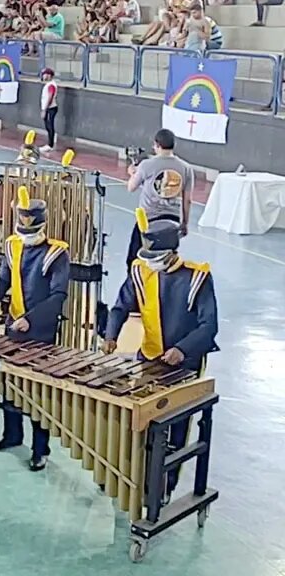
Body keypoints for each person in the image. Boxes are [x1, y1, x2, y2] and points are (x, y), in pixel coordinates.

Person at [104, 210, 218, 495]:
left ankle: (165, 487)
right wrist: (110, 336)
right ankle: (137, 479)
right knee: (141, 423)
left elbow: (209, 326)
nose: (150, 263)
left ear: (171, 253)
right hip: (149, 358)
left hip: (185, 363)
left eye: (155, 258)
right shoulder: (141, 272)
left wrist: (182, 349)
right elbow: (120, 306)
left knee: (175, 428)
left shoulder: (197, 277)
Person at [0, 187, 69, 471]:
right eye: (23, 232)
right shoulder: (12, 245)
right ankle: (12, 435)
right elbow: (2, 280)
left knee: (37, 392)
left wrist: (31, 318)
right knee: (9, 385)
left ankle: (40, 448)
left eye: (31, 233)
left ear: (42, 227)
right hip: (13, 326)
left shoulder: (57, 253)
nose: (26, 238)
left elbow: (58, 296)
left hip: (40, 331)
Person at [125, 128, 192, 270]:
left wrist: (132, 173)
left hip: (148, 221)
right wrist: (184, 223)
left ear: (157, 145)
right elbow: (187, 200)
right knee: (168, 260)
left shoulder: (147, 165)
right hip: (172, 221)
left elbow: (131, 187)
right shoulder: (186, 168)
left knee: (134, 260)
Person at [39, 68, 58, 151]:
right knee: (48, 126)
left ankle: (50, 145)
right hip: (48, 108)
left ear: (49, 75)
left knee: (50, 126)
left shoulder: (51, 85)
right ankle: (50, 141)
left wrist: (45, 110)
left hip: (50, 108)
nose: (43, 76)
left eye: (45, 74)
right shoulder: (48, 85)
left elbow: (50, 97)